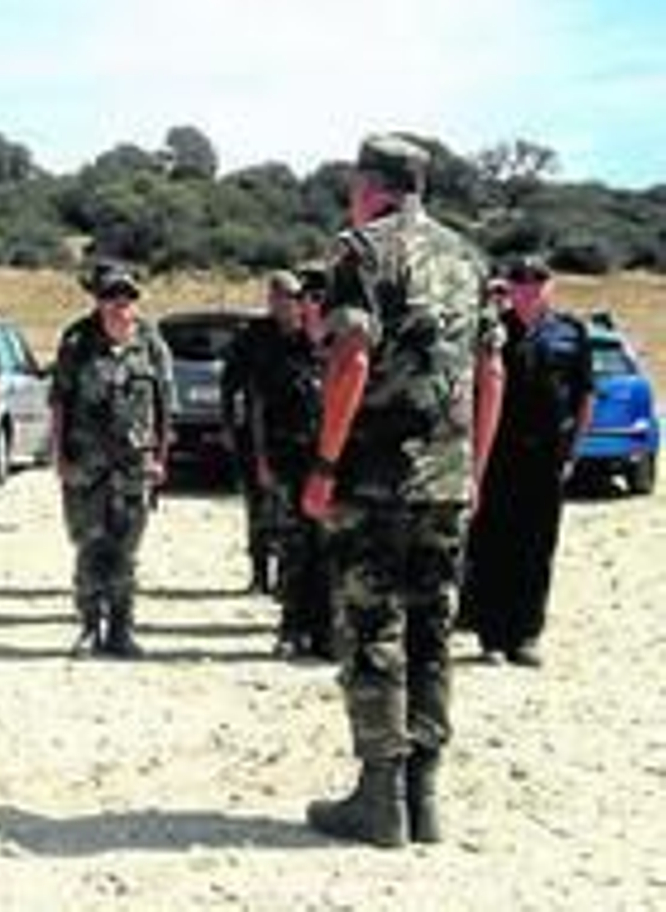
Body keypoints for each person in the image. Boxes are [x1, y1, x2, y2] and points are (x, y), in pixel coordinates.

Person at [300, 135, 505, 848]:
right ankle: (424, 796)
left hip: (376, 480)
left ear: (369, 186)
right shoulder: (467, 258)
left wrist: (324, 465)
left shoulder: (362, 250)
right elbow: (492, 372)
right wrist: (474, 469)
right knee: (431, 631)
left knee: (373, 629)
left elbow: (352, 358)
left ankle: (380, 798)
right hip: (446, 480)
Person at [461, 255, 593, 668]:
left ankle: (527, 635)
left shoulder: (571, 332)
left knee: (537, 547)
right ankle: (492, 636)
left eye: (538, 279)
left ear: (550, 285)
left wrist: (573, 452)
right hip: (499, 457)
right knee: (492, 544)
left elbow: (585, 396)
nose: (529, 286)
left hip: (546, 460)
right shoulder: (492, 332)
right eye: (520, 279)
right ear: (510, 286)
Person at [51, 261, 171, 658]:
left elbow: (164, 405)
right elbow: (60, 402)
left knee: (126, 551)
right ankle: (89, 626)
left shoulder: (151, 343)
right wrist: (58, 456)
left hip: (135, 465)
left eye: (127, 297)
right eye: (111, 297)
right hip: (86, 463)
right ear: (98, 301)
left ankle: (120, 628)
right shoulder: (77, 341)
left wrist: (161, 458)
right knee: (90, 546)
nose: (120, 304)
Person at [245, 270, 334, 660]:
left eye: (318, 299)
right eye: (305, 298)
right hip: (288, 462)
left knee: (329, 549)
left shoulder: (342, 350)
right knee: (294, 549)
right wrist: (262, 460)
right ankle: (293, 628)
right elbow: (259, 409)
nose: (311, 306)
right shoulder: (279, 351)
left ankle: (326, 632)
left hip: (331, 466)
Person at [222, 292, 280, 593]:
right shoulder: (252, 336)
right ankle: (260, 575)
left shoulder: (304, 334)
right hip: (254, 434)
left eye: (290, 297)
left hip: (292, 435)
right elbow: (229, 384)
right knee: (258, 506)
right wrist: (228, 425)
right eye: (278, 297)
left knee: (288, 512)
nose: (284, 303)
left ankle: (286, 576)